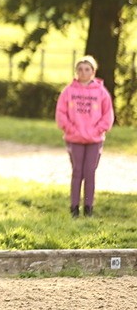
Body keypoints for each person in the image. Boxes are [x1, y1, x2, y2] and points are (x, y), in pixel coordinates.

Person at [55, 56, 114, 218]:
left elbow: (107, 115)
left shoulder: (101, 92)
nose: (83, 72)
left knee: (89, 172)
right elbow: (61, 113)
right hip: (74, 139)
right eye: (80, 69)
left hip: (94, 140)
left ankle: (89, 207)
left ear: (93, 72)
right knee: (77, 172)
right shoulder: (68, 91)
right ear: (76, 71)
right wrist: (70, 129)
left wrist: (97, 130)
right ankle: (74, 207)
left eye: (87, 69)